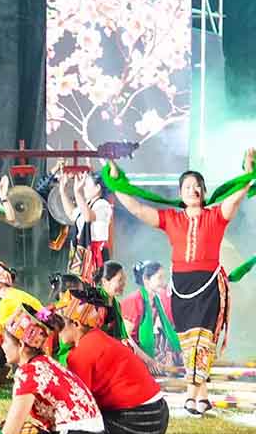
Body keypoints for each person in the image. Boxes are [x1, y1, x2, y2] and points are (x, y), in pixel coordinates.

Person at [104, 150, 255, 415]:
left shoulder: (217, 216)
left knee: (203, 342)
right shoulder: (171, 219)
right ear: (180, 193)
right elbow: (138, 208)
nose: (193, 190)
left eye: (197, 186)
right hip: (181, 289)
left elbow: (236, 197)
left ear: (204, 192)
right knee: (189, 344)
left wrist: (248, 171)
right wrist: (115, 181)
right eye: (187, 187)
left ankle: (192, 394)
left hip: (209, 286)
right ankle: (201, 396)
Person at [56, 289, 168, 434]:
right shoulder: (99, 338)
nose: (57, 330)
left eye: (60, 323)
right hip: (154, 416)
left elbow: (79, 410)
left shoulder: (82, 354)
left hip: (139, 423)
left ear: (77, 324)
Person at [0, 305, 105, 434]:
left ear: (21, 345)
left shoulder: (29, 374)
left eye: (5, 341)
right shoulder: (47, 363)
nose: (2, 346)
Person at [120, 261, 181, 373]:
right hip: (129, 354)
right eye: (159, 278)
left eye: (164, 278)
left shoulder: (156, 301)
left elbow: (166, 333)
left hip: (143, 352)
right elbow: (124, 338)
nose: (164, 282)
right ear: (146, 280)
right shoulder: (135, 301)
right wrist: (149, 361)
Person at [58, 170, 113, 283]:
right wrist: (63, 192)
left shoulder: (103, 204)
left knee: (93, 284)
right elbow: (71, 214)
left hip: (95, 251)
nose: (83, 188)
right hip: (82, 250)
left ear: (97, 188)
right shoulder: (86, 204)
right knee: (78, 284)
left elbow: (88, 217)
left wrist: (77, 193)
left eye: (86, 185)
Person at [92, 260, 129, 341]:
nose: (124, 284)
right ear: (105, 281)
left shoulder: (116, 305)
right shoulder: (94, 301)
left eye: (124, 280)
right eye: (120, 280)